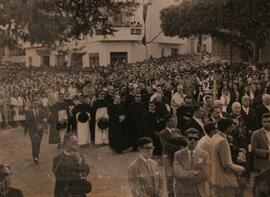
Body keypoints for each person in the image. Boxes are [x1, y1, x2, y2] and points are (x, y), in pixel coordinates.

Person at [210, 118, 245, 197]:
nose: (233, 128)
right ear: (227, 127)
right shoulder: (222, 141)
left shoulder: (214, 137)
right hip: (224, 180)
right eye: (232, 126)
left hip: (215, 176)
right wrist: (241, 169)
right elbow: (226, 164)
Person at [174, 128, 210, 197]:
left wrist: (187, 175)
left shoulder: (204, 155)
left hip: (199, 191)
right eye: (190, 138)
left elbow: (205, 174)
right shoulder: (178, 154)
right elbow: (178, 173)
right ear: (186, 139)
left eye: (195, 139)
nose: (193, 141)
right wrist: (195, 172)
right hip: (183, 191)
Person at [52, 133, 91, 197]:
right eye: (74, 142)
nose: (77, 144)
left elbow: (87, 171)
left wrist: (79, 160)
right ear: (66, 144)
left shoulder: (79, 157)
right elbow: (60, 175)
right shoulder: (57, 159)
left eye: (77, 142)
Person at [159, 114, 187, 197]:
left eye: (174, 120)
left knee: (180, 177)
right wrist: (179, 147)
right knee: (170, 178)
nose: (174, 122)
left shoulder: (178, 131)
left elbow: (185, 141)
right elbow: (166, 145)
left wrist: (180, 137)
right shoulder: (162, 133)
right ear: (167, 123)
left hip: (178, 158)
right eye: (172, 121)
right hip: (168, 157)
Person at [24, 96, 47, 164]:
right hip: (32, 130)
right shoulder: (29, 112)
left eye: (36, 103)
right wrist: (25, 131)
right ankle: (35, 157)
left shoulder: (41, 111)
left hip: (40, 130)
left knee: (38, 143)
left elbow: (44, 120)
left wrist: (46, 128)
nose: (35, 105)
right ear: (32, 104)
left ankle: (37, 154)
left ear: (38, 104)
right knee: (34, 143)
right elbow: (27, 122)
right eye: (34, 103)